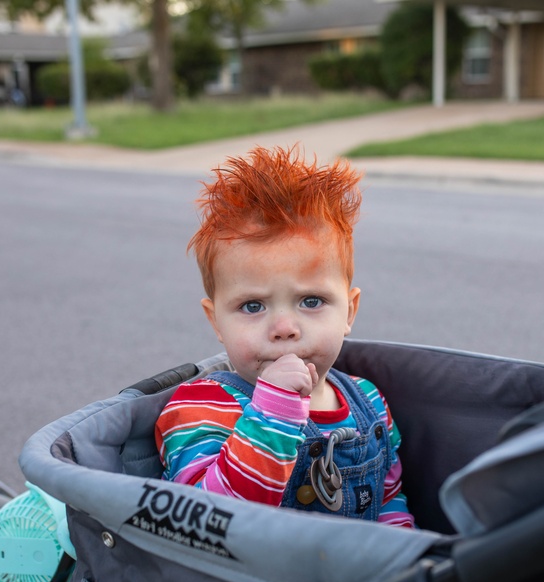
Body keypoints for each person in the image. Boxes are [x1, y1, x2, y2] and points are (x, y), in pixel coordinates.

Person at [154, 145, 414, 528]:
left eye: (311, 301)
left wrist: (403, 559)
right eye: (253, 307)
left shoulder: (370, 402)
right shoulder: (201, 406)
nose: (284, 328)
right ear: (216, 322)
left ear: (349, 312)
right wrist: (272, 414)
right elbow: (202, 522)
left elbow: (389, 499)